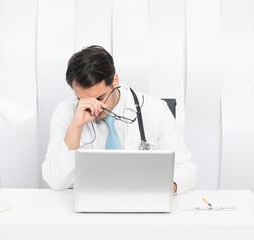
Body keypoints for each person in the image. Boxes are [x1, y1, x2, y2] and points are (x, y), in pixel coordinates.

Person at [42, 45, 197, 194]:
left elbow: (187, 170)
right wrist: (76, 126)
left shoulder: (155, 110)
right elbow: (55, 181)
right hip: (89, 209)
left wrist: (160, 190)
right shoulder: (65, 112)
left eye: (100, 97)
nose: (94, 107)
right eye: (83, 100)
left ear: (115, 80)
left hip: (143, 207)